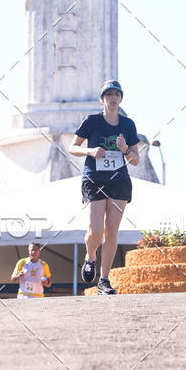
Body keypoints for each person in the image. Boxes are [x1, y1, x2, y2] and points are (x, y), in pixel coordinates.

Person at [69, 80, 139, 295]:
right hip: (95, 178)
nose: (112, 98)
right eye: (108, 94)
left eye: (116, 94)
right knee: (96, 230)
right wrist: (90, 151)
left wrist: (125, 149)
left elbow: (135, 159)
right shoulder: (91, 121)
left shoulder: (128, 125)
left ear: (121, 99)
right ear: (102, 99)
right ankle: (90, 257)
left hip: (119, 180)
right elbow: (73, 147)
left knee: (112, 231)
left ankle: (104, 280)